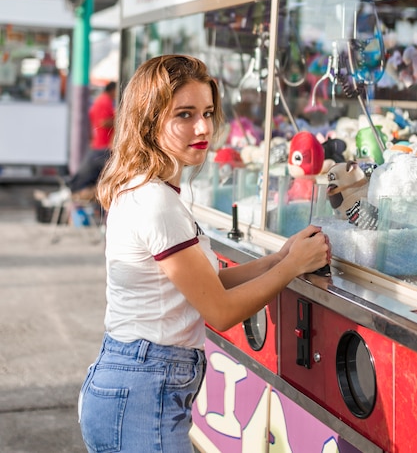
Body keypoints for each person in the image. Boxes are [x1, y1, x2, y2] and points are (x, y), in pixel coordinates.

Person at [78, 55, 330, 453]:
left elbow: (205, 284)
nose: (204, 128)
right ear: (149, 121)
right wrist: (293, 267)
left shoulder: (151, 191)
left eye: (208, 112)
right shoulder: (155, 202)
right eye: (185, 114)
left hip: (135, 384)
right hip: (144, 392)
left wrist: (280, 258)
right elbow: (221, 310)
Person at [67, 81, 117, 196]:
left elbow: (91, 120)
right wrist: (121, 120)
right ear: (112, 90)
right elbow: (103, 122)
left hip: (98, 144)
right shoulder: (105, 101)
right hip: (103, 145)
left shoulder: (99, 100)